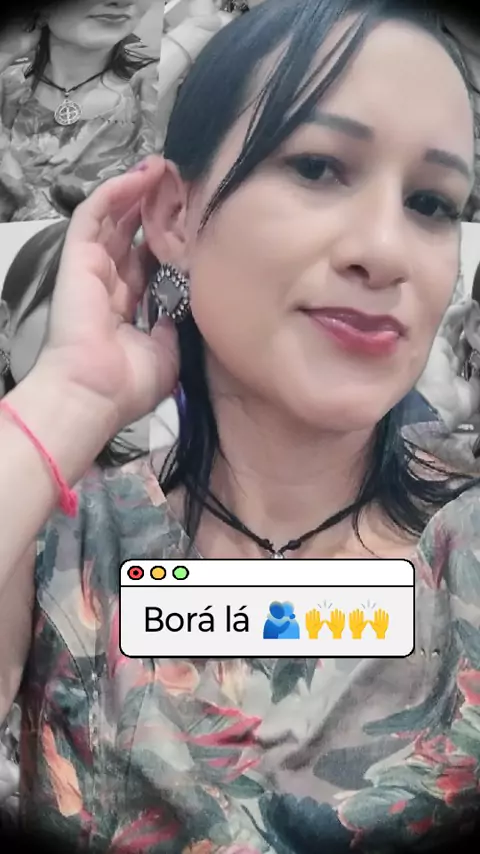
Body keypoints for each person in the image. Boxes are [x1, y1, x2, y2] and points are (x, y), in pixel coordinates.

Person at [2, 0, 480, 851]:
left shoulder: (465, 542)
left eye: (432, 203)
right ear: (177, 216)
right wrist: (69, 395)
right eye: (319, 167)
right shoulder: (57, 545)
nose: (385, 249)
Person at [0, 0, 228, 221]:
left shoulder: (156, 87)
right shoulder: (8, 87)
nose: (122, 2)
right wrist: (6, 50)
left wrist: (183, 45)